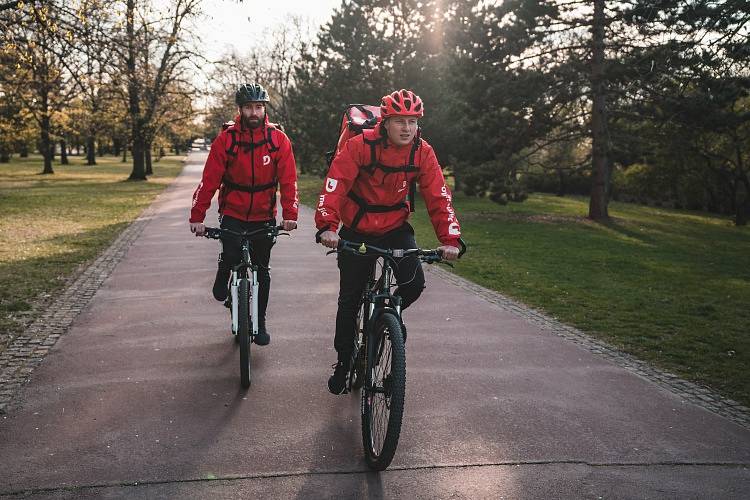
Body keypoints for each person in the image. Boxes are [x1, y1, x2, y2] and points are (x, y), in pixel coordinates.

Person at [315, 89, 461, 394]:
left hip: (395, 227)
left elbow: (438, 196)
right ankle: (344, 361)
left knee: (413, 284)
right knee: (349, 300)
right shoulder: (360, 146)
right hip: (356, 228)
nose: (407, 128)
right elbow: (334, 184)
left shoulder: (422, 151)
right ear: (385, 122)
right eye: (399, 121)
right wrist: (328, 226)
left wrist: (450, 239)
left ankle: (386, 323)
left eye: (413, 121)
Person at [189, 83, 298, 346]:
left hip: (263, 215)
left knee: (262, 269)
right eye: (249, 107)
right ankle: (224, 270)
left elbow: (289, 181)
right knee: (231, 253)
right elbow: (209, 181)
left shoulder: (277, 141)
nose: (254, 112)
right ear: (240, 110)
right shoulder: (226, 140)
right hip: (233, 212)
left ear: (264, 110)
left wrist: (290, 214)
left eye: (258, 107)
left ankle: (259, 323)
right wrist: (197, 217)